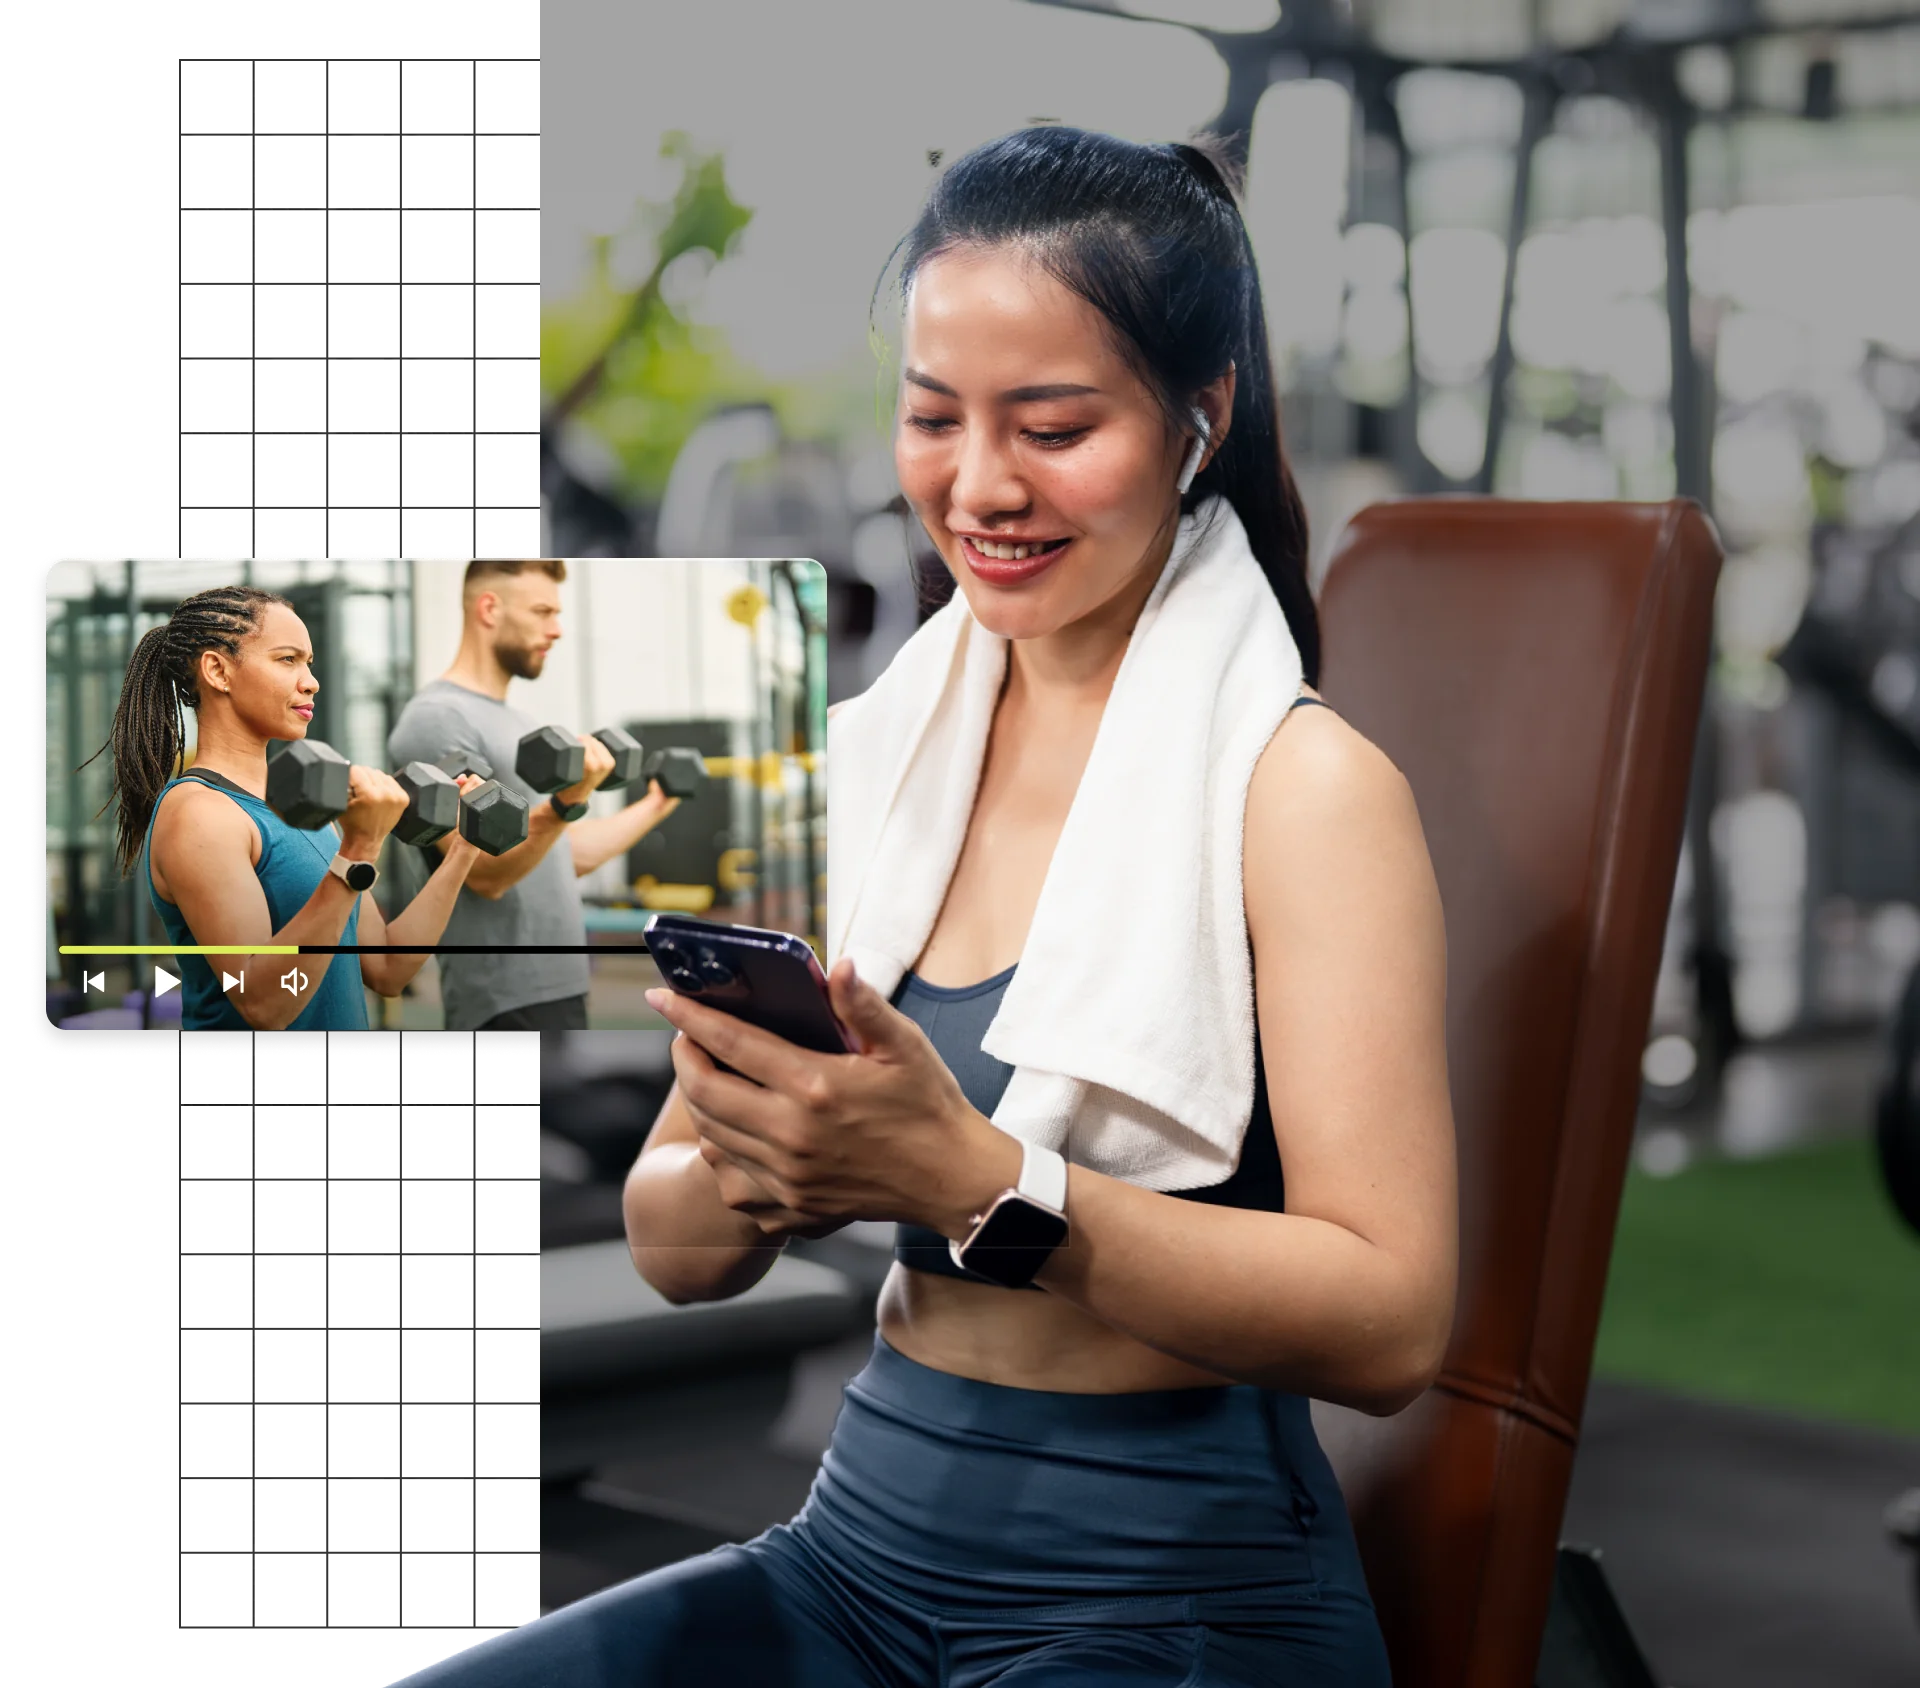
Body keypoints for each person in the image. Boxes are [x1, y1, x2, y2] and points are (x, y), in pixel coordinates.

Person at [406, 128, 1456, 1685]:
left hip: (1171, 1595)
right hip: (854, 1549)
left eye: (1052, 425)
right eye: (931, 418)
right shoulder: (867, 754)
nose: (978, 488)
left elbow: (1390, 1325)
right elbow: (677, 1243)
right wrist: (779, 1158)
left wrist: (972, 1176)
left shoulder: (1305, 792)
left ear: (1199, 416)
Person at [87, 585, 485, 1032]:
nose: (310, 681)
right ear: (218, 671)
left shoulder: (303, 809)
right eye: (287, 659)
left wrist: (463, 850)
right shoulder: (200, 814)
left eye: (308, 662)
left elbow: (388, 966)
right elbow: (264, 1004)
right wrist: (359, 849)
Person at [386, 558, 681, 1031]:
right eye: (543, 612)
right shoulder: (438, 719)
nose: (557, 630)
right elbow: (484, 872)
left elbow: (564, 854)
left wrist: (656, 803)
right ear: (490, 609)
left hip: (562, 983)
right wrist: (565, 803)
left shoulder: (520, 723)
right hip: (504, 999)